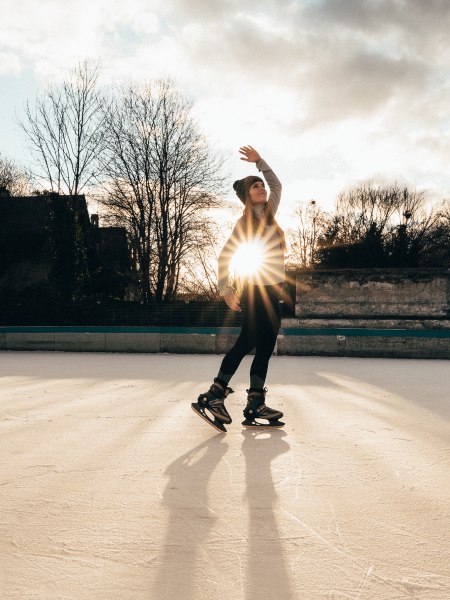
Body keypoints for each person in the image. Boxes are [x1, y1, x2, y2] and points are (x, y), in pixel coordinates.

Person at [192, 145, 286, 432]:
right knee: (247, 342)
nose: (262, 188)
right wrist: (226, 291)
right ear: (247, 195)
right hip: (256, 289)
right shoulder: (244, 224)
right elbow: (225, 258)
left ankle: (255, 401)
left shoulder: (270, 213)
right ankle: (214, 395)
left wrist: (260, 162)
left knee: (267, 346)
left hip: (275, 290)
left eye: (261, 186)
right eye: (255, 187)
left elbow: (276, 184)